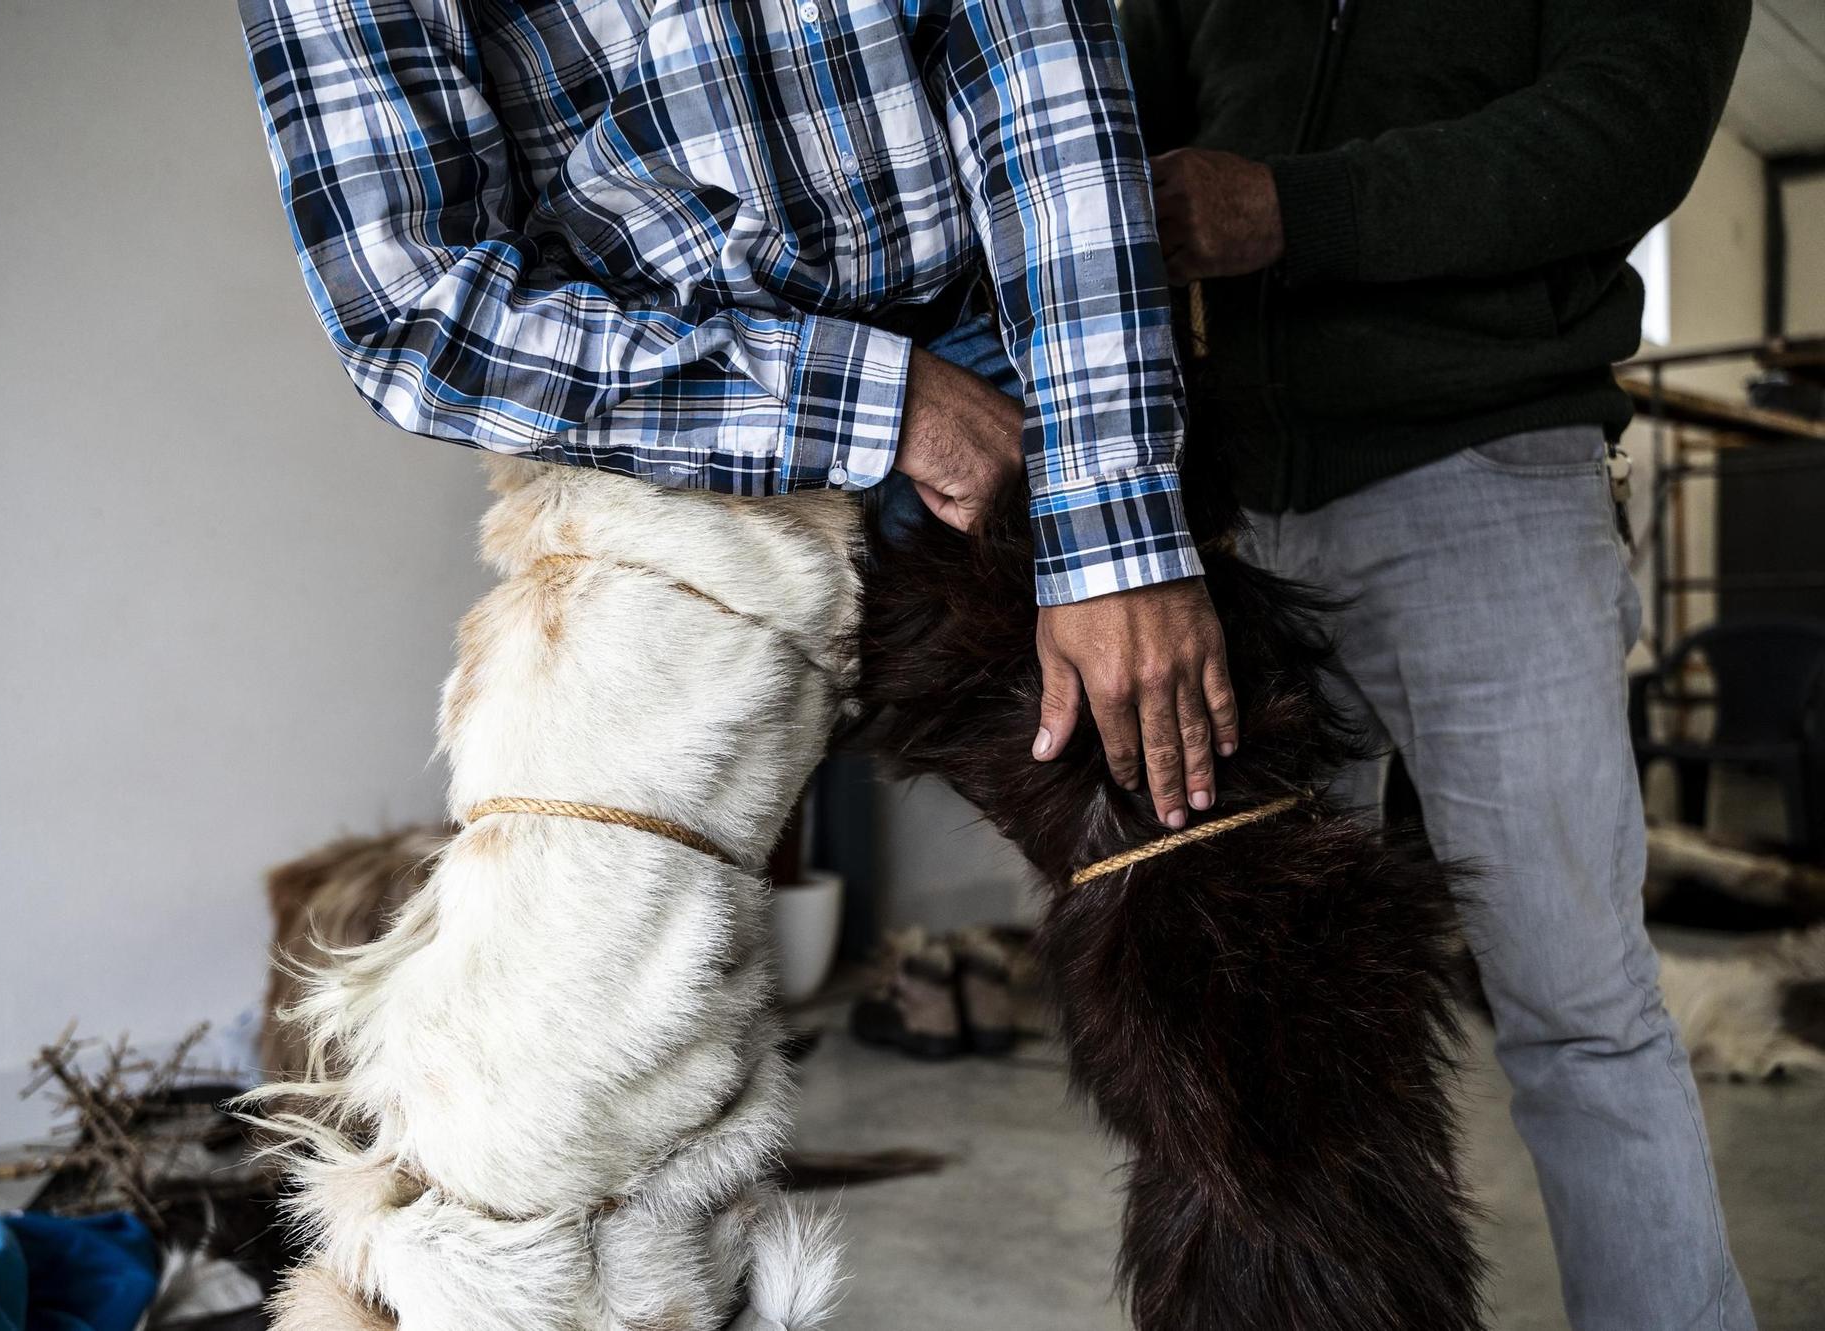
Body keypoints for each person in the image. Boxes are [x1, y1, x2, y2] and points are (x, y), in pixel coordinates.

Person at [1116, 1, 1754, 1327]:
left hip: (1489, 476)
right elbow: (1116, 116)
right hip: (1235, 514)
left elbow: (1626, 129)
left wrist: (1295, 207)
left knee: (1577, 1008)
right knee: (1281, 1022)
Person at [237, 0, 1235, 831]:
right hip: (665, 429)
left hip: (1004, 338)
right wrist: (887, 401)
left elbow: (1040, 89)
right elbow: (417, 320)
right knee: (606, 913)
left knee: (1183, 830)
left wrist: (1115, 537)